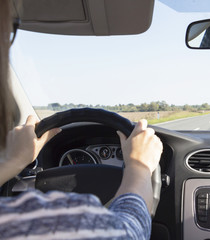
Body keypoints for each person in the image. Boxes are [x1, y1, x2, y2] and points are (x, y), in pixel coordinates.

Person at [0, 0, 163, 239]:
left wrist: (12, 161)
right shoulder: (64, 220)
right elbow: (130, 231)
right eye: (10, 31)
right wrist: (138, 167)